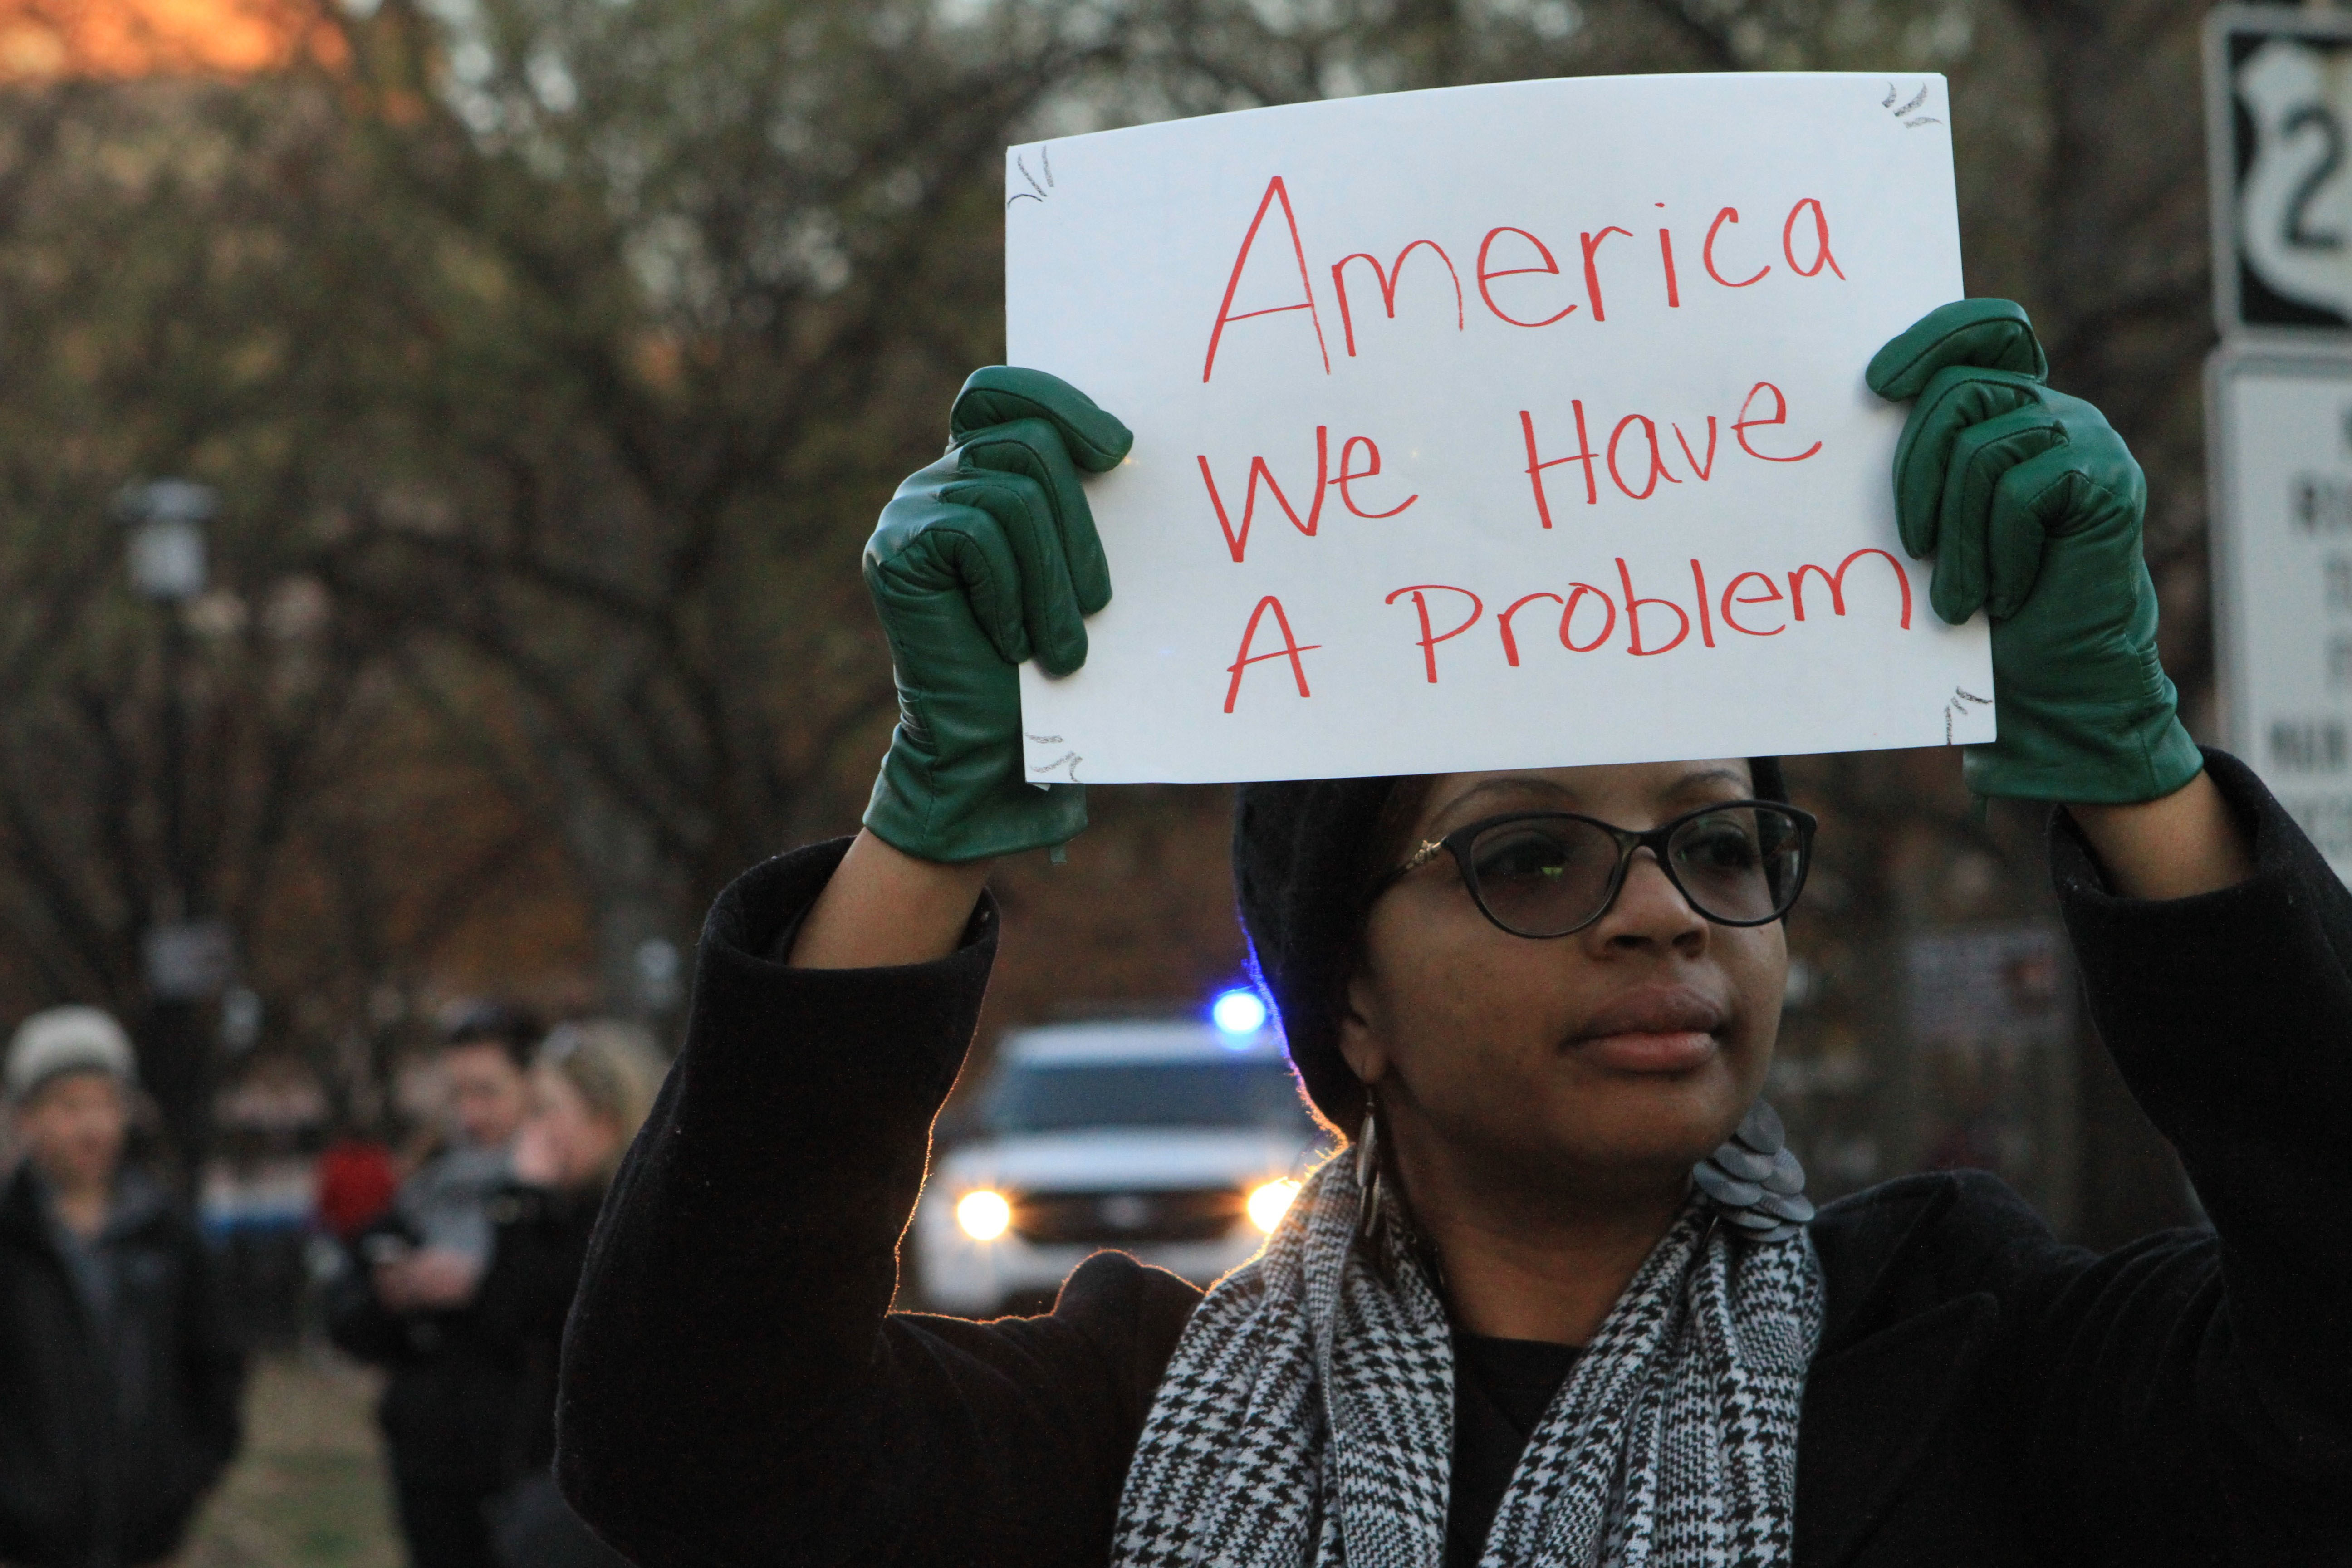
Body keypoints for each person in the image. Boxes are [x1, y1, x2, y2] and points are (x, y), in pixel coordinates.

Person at [553, 299, 2352, 1567]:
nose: (1662, 910)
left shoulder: (1978, 1354)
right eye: (1532, 859)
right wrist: (926, 829)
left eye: (1720, 840)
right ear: (1347, 1000)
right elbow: (694, 1451)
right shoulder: (1117, 1415)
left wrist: (2138, 781)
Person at [0, 1006, 245, 1568]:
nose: (92, 1127)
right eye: (69, 1106)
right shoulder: (10, 1242)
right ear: (26, 1118)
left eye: (107, 1104)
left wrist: (184, 1484)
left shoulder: (169, 1236)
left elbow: (215, 1366)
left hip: (148, 1543)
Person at [330, 1002, 539, 1568]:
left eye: (487, 1092)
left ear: (533, 1086)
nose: (469, 1114)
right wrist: (392, 1295)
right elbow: (345, 1316)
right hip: (432, 1469)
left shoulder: (567, 1200)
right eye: (457, 1094)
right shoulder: (424, 1193)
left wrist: (482, 1287)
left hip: (530, 1469)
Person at [473, 1020, 664, 1568]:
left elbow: (518, 1318)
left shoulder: (624, 1228)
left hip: (600, 1503)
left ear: (605, 1120)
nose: (531, 1132)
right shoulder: (563, 1214)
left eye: (547, 1111)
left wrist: (524, 1202)